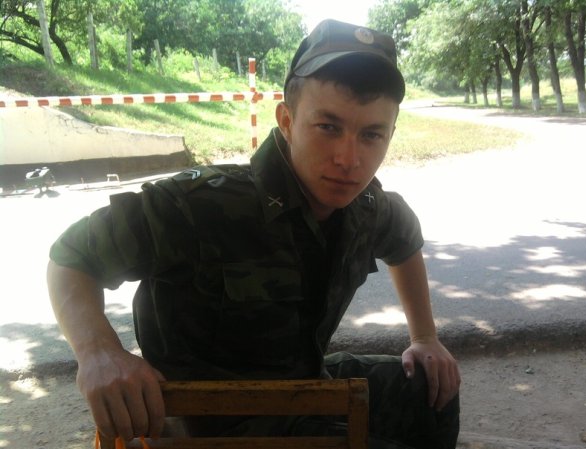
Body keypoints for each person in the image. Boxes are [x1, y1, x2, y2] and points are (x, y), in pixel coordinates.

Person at [47, 19, 460, 449]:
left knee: (433, 389)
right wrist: (98, 352)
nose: (349, 159)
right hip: (212, 427)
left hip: (302, 389)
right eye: (328, 127)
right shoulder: (201, 207)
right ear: (287, 120)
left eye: (372, 134)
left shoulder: (365, 207)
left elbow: (405, 239)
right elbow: (72, 255)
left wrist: (425, 338)